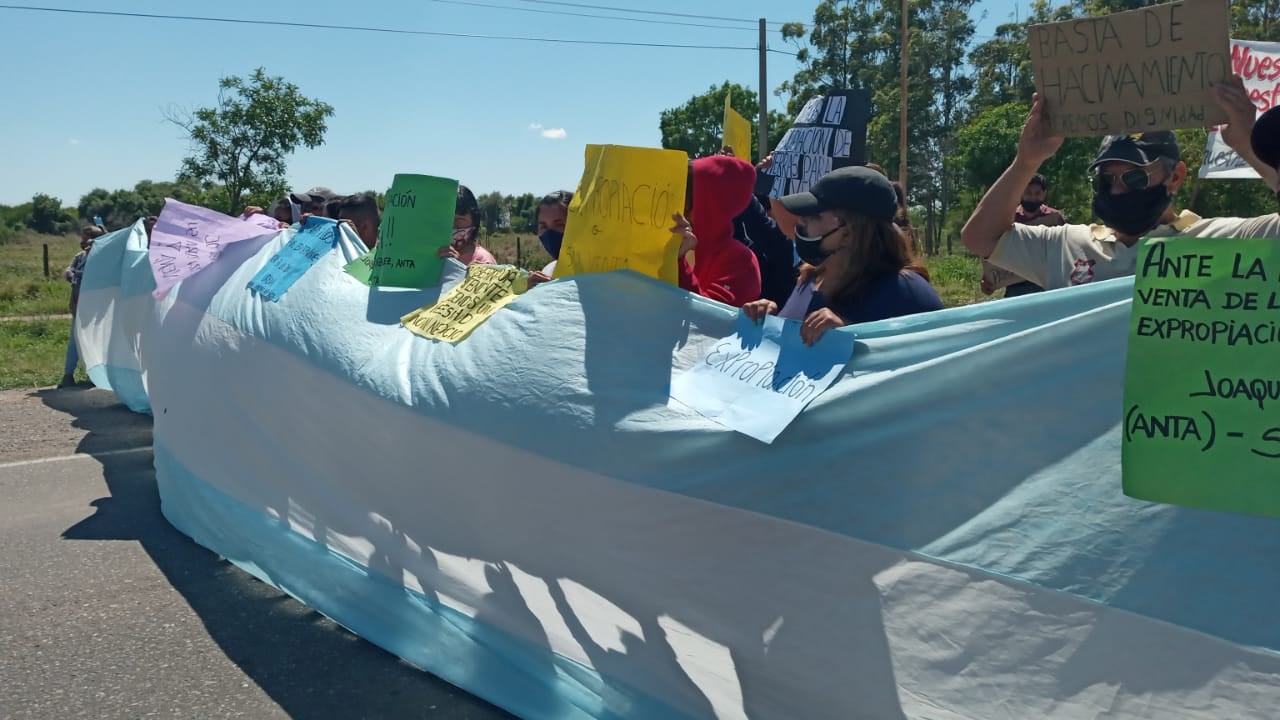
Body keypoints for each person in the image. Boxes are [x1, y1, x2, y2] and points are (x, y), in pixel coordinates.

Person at [961, 77, 1280, 289]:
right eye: (1106, 179)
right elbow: (979, 238)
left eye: (1134, 177)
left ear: (1176, 177)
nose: (1117, 190)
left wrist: (1247, 146)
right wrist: (1026, 161)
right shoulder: (1065, 247)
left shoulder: (1225, 241)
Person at [742, 166, 943, 345]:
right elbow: (793, 345)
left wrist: (852, 336)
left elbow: (928, 367)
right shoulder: (812, 278)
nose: (801, 221)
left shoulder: (908, 293)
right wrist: (769, 318)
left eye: (814, 215)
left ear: (849, 232)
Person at [673, 154, 762, 307]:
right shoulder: (669, 243)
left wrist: (679, 263)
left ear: (709, 205)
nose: (677, 208)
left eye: (684, 198)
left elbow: (709, 319)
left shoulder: (741, 261)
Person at [978, 174, 1065, 298]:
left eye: (1037, 193)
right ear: (1020, 192)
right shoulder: (1007, 220)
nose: (1032, 197)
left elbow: (1065, 248)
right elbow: (993, 250)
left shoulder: (1054, 219)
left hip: (1046, 284)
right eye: (1028, 192)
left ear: (1044, 194)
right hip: (1015, 286)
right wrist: (988, 279)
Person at [59, 224, 106, 388]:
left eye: (86, 240)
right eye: (82, 239)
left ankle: (96, 376)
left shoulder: (102, 259)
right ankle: (68, 375)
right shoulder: (80, 256)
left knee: (97, 341)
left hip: (96, 309)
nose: (83, 243)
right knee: (75, 340)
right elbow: (70, 269)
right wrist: (69, 272)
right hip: (78, 306)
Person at [437, 184, 496, 266]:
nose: (452, 225)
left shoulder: (483, 261)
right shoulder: (434, 256)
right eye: (447, 219)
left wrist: (455, 268)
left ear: (474, 221)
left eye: (459, 220)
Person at [528, 190, 571, 286]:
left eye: (559, 225)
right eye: (543, 226)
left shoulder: (596, 271)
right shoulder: (548, 270)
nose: (550, 233)